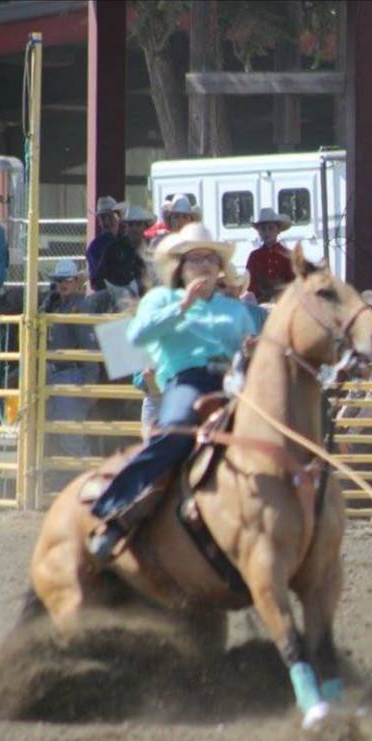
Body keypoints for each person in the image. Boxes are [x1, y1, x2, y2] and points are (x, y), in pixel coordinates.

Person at [85, 223, 257, 562]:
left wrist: (253, 349)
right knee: (176, 432)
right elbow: (136, 337)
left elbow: (250, 346)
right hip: (187, 380)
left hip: (235, 383)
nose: (205, 264)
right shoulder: (161, 299)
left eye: (211, 258)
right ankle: (114, 511)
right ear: (180, 266)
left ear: (220, 266)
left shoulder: (235, 309)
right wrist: (183, 305)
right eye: (196, 258)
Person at [40, 260, 100, 466]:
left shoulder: (80, 307)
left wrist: (90, 382)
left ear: (77, 282)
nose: (63, 284)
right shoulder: (56, 304)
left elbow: (90, 346)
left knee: (70, 436)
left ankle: (83, 479)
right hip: (54, 374)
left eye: (67, 279)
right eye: (59, 280)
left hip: (70, 374)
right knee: (55, 432)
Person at [93, 204, 153, 298]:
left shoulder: (153, 248)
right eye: (131, 225)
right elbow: (97, 279)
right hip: (119, 301)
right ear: (125, 227)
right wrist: (112, 293)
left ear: (145, 227)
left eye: (138, 224)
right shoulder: (114, 248)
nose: (134, 229)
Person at [246, 207, 294, 302]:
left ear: (278, 230)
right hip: (259, 304)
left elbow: (294, 282)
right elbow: (249, 283)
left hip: (283, 302)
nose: (267, 232)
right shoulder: (254, 256)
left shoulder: (288, 255)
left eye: (270, 228)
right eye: (263, 229)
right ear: (259, 232)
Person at [85, 197, 127, 289]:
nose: (107, 221)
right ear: (99, 222)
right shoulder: (96, 246)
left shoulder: (125, 241)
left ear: (118, 217)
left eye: (110, 216)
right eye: (103, 217)